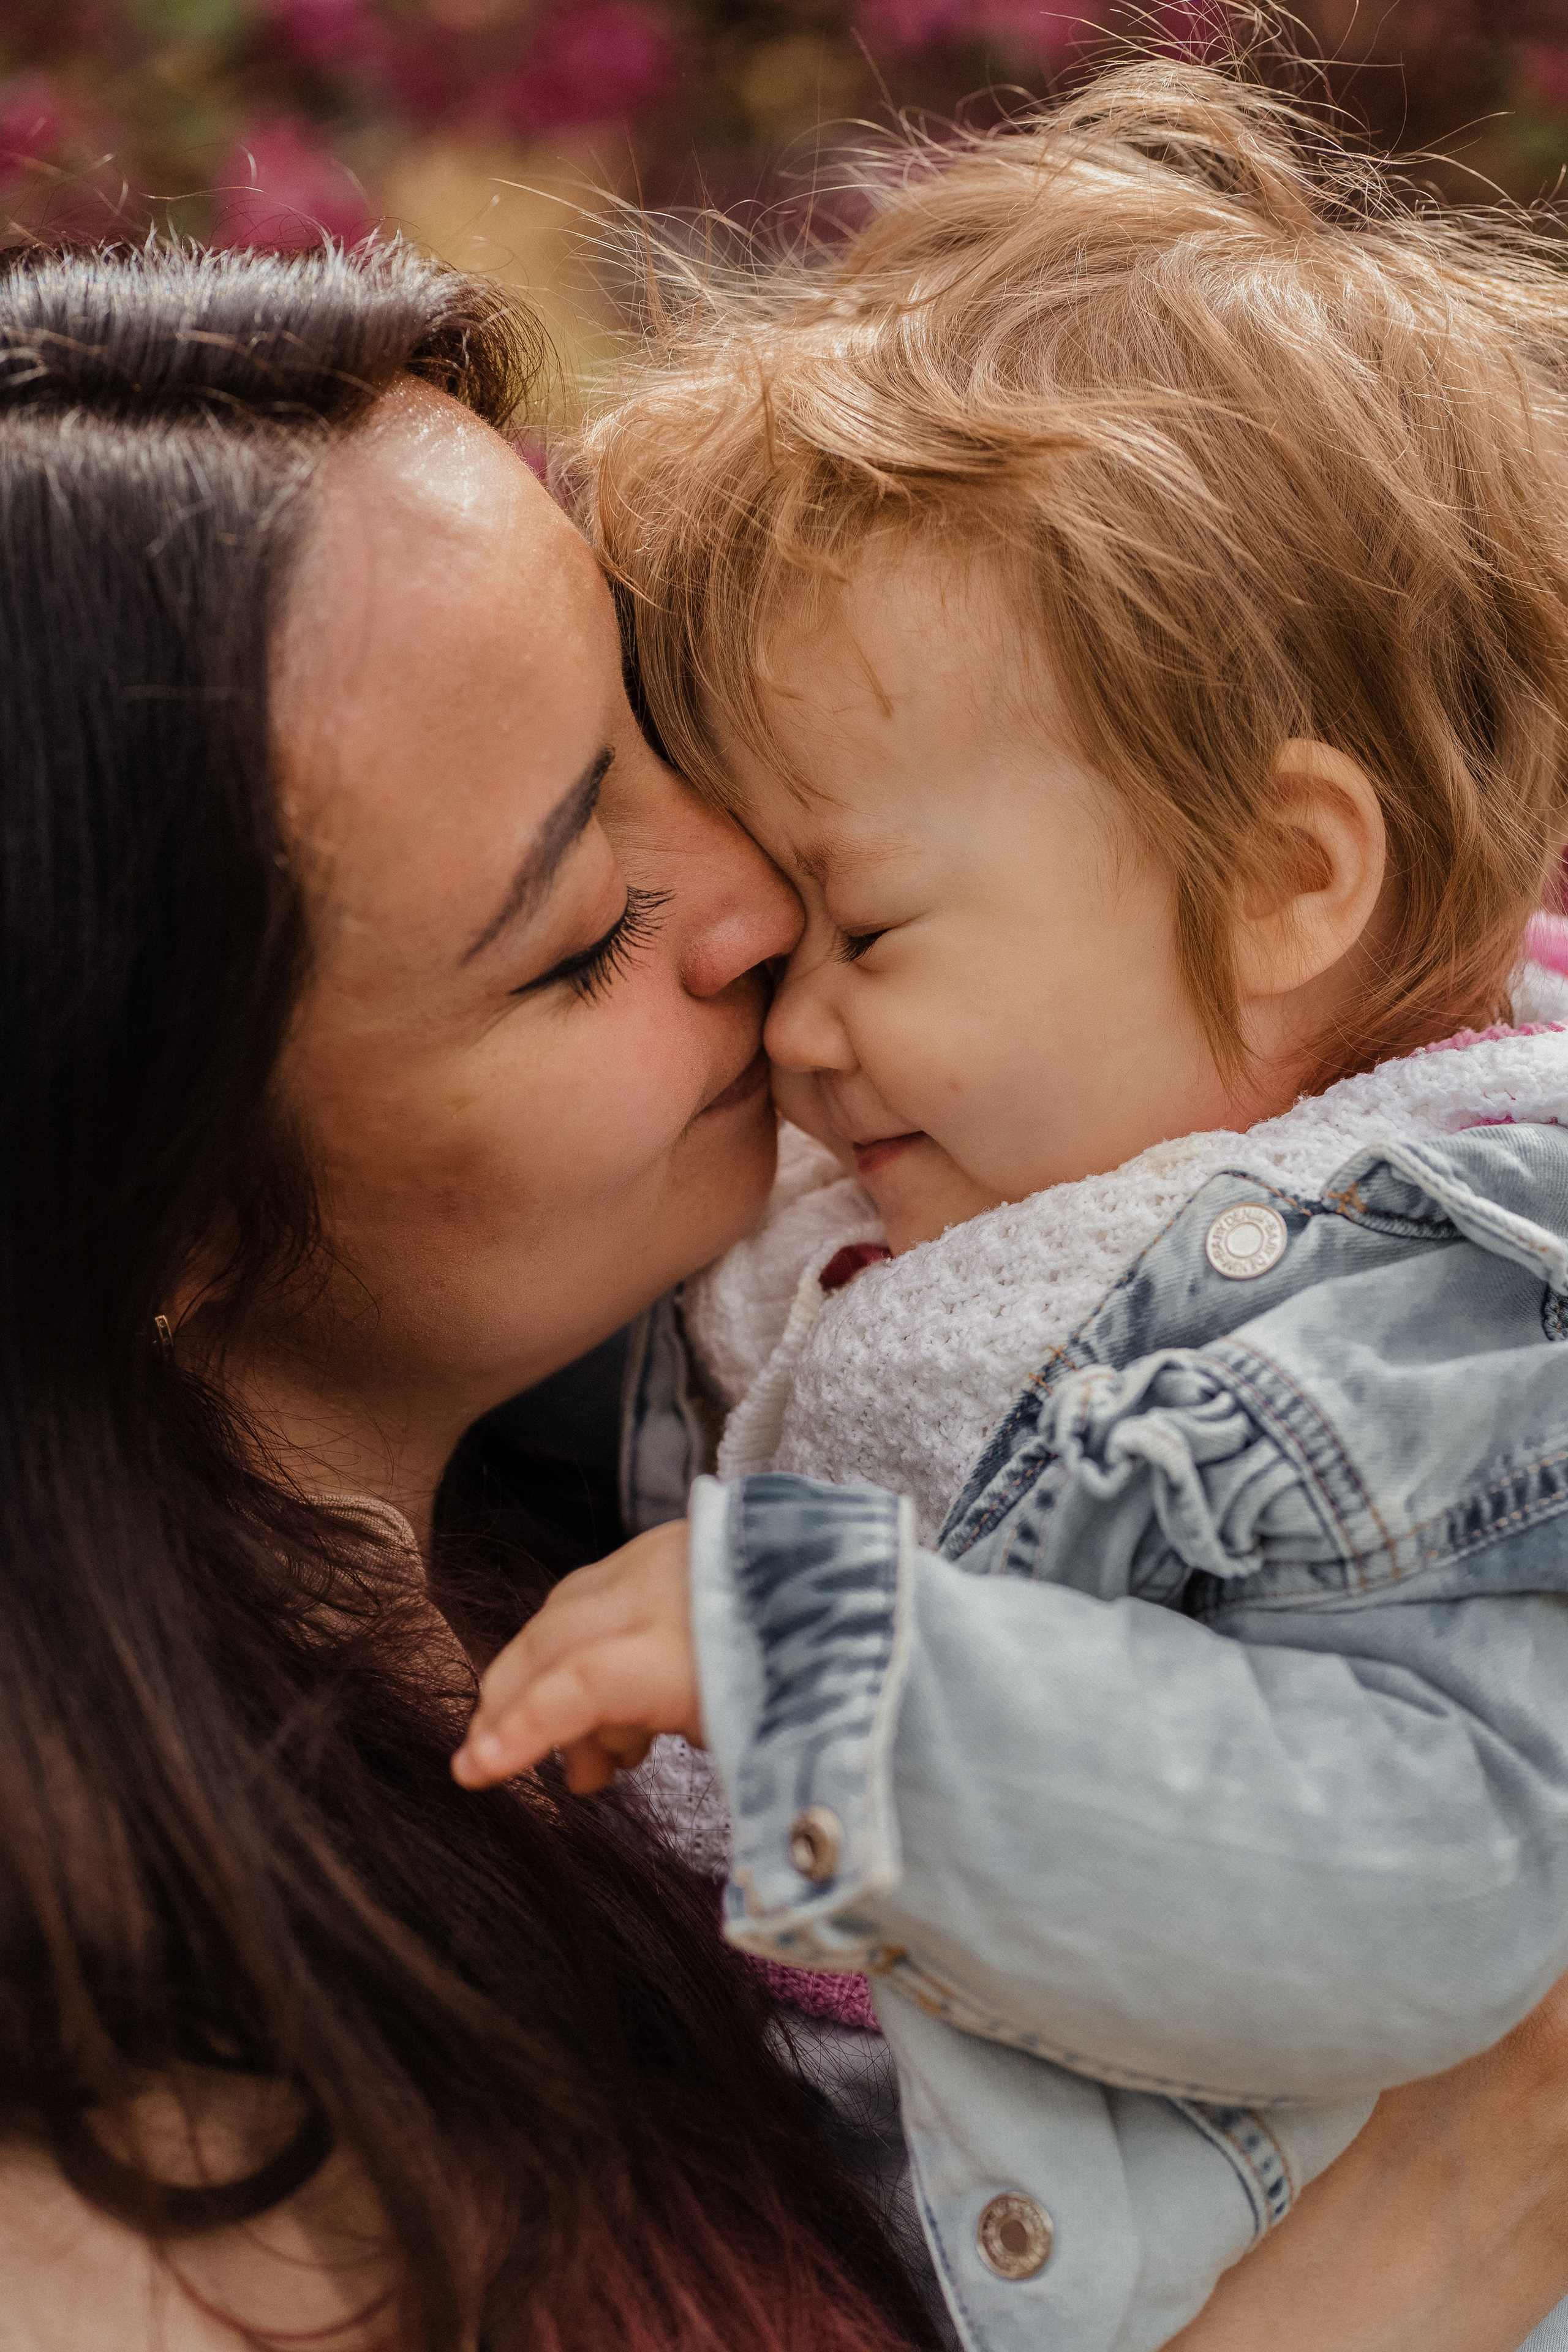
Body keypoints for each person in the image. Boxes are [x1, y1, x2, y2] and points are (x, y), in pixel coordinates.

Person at [0, 228, 1566, 2352]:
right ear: (154, 1201)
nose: (752, 897)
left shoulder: (1320, 1280)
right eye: (577, 929)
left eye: (657, 726)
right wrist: (1436, 2239)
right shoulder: (151, 2195)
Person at [453, 60, 1568, 2352]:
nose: (797, 1022)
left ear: (1283, 883)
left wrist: (843, 1694)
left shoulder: (1408, 1306)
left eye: (867, 926)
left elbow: (1438, 1871)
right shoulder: (990, 1180)